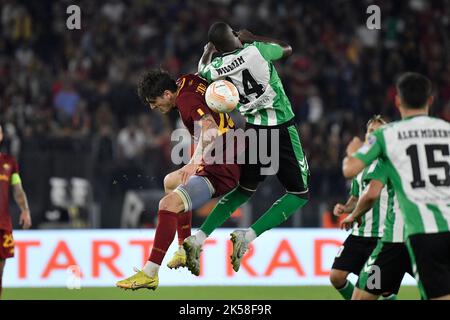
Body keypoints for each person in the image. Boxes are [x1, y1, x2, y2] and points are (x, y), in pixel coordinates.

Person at [183, 22, 309, 276]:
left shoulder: (216, 69)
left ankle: (199, 238)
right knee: (299, 193)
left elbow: (201, 70)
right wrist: (252, 37)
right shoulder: (256, 50)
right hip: (282, 128)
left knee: (244, 190)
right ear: (233, 36)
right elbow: (286, 48)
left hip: (254, 131)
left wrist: (209, 50)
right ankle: (247, 236)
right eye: (234, 31)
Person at [116, 70, 240, 290]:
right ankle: (184, 248)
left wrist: (194, 162)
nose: (153, 107)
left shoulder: (186, 100)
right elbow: (203, 69)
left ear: (167, 94)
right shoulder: (186, 81)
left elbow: (210, 129)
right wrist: (210, 49)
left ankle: (150, 272)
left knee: (167, 204)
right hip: (225, 153)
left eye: (154, 102)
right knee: (170, 182)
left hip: (222, 165)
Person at [342, 72, 450, 300]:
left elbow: (352, 171)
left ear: (398, 101)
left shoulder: (388, 136)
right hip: (446, 229)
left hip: (410, 235)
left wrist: (352, 152)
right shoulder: (447, 131)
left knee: (361, 297)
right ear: (430, 100)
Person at [330, 116, 389, 300]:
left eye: (378, 131)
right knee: (336, 277)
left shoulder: (388, 162)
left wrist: (352, 214)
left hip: (381, 236)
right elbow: (357, 197)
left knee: (380, 290)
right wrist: (346, 208)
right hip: (359, 234)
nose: (374, 135)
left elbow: (372, 195)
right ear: (366, 135)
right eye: (371, 131)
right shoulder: (359, 166)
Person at [341, 155, 413, 300]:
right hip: (426, 234)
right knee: (436, 290)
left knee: (361, 296)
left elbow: (370, 195)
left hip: (393, 239)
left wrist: (354, 215)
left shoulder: (386, 159)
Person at [0, 124, 32, 298]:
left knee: (0, 270)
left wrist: (25, 210)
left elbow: (17, 189)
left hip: (3, 224)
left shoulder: (9, 162)